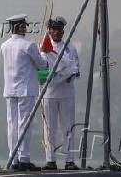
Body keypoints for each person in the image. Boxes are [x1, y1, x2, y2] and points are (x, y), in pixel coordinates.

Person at [0, 14, 47, 171]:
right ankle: (24, 159)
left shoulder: (4, 45)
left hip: (10, 90)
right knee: (24, 124)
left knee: (11, 125)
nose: (25, 28)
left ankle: (13, 158)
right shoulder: (29, 45)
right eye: (24, 26)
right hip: (25, 90)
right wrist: (43, 56)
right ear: (20, 27)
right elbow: (42, 65)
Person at [40, 16, 80, 170]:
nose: (57, 32)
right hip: (49, 94)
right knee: (49, 129)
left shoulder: (70, 48)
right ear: (49, 31)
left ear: (63, 31)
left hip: (66, 93)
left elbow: (75, 70)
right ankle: (50, 160)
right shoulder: (43, 48)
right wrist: (63, 71)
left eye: (59, 30)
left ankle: (70, 160)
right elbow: (42, 73)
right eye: (54, 29)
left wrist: (62, 73)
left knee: (68, 128)